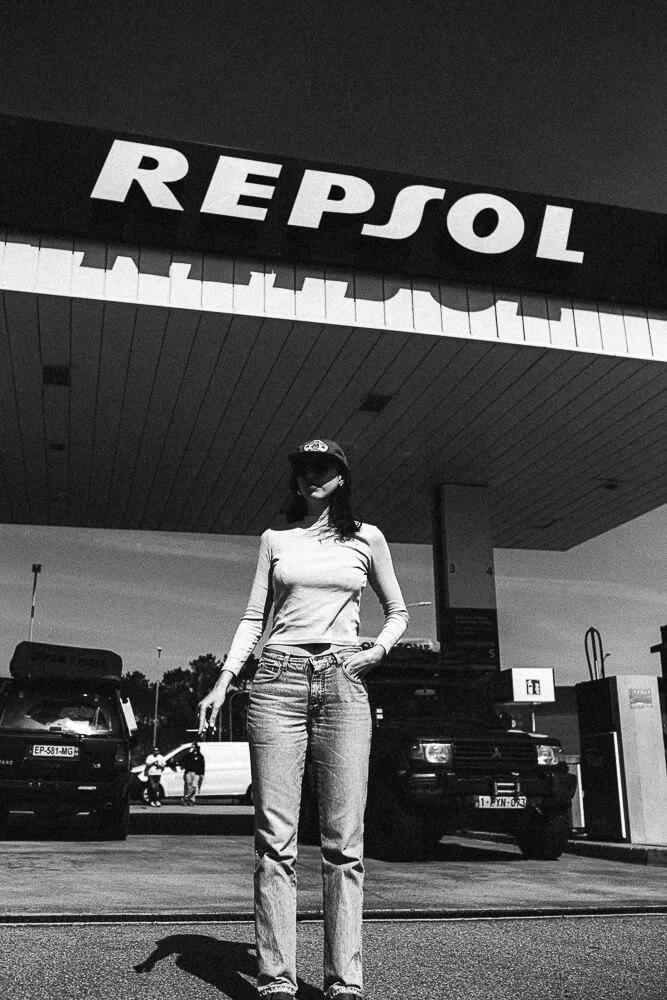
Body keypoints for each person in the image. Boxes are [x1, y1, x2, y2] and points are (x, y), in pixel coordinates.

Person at [198, 437, 409, 1000]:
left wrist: (375, 652)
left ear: (341, 477)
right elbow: (252, 616)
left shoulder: (367, 538)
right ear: (295, 480)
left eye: (325, 467)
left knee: (344, 844)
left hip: (343, 682)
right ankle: (277, 978)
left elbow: (398, 612)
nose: (312, 475)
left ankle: (345, 980)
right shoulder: (275, 540)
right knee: (276, 841)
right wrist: (224, 680)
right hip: (276, 683)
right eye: (303, 468)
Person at [181, 741, 206, 806]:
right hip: (188, 772)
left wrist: (202, 773)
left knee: (194, 786)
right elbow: (183, 761)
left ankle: (187, 797)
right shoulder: (188, 755)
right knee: (188, 785)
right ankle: (189, 799)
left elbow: (202, 765)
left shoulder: (200, 756)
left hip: (197, 773)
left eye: (194, 747)